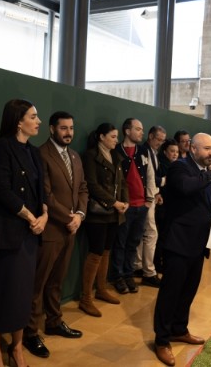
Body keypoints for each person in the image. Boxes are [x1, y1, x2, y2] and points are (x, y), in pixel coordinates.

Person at [153, 133, 211, 367]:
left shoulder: (207, 172)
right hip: (178, 241)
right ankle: (162, 340)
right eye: (207, 148)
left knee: (188, 290)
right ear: (193, 149)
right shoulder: (180, 167)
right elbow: (187, 188)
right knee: (171, 292)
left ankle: (179, 329)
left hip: (199, 242)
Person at [0, 99, 47, 367]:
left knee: (23, 295)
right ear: (18, 121)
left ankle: (17, 347)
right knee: (4, 294)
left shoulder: (34, 152)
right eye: (33, 116)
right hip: (10, 233)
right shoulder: (2, 148)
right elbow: (1, 190)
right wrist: (31, 216)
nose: (38, 121)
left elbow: (42, 191)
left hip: (32, 233)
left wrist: (43, 216)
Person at [23, 111, 87, 359]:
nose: (69, 133)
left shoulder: (74, 155)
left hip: (71, 229)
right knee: (38, 284)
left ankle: (54, 321)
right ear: (52, 129)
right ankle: (30, 333)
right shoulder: (41, 154)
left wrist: (80, 215)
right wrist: (69, 217)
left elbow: (82, 188)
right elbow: (46, 195)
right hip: (50, 230)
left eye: (71, 128)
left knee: (57, 281)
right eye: (63, 128)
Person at [80, 123, 129, 317]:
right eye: (113, 136)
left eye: (116, 137)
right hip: (98, 213)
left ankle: (100, 289)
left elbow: (122, 182)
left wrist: (125, 201)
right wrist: (114, 202)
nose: (116, 140)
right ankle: (86, 298)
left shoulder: (116, 156)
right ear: (101, 137)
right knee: (96, 253)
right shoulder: (91, 156)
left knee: (106, 252)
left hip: (114, 212)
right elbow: (91, 184)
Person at [111, 118, 156, 294]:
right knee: (120, 242)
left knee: (134, 243)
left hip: (141, 205)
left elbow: (150, 174)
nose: (141, 133)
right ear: (127, 131)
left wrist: (149, 200)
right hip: (125, 206)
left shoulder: (144, 151)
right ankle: (117, 276)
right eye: (138, 129)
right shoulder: (116, 151)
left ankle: (129, 274)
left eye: (142, 129)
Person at [135, 125, 167, 287]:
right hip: (144, 199)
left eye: (162, 141)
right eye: (158, 139)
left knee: (145, 233)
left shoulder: (154, 152)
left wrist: (157, 193)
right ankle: (148, 271)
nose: (160, 143)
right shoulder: (143, 150)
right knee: (151, 233)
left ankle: (140, 265)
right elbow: (147, 178)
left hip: (151, 196)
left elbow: (153, 176)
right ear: (150, 136)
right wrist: (162, 183)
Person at [154, 139, 179, 273]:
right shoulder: (161, 165)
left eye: (177, 152)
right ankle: (158, 264)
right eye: (172, 151)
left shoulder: (176, 166)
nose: (175, 154)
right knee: (161, 237)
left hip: (172, 207)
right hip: (162, 206)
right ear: (165, 152)